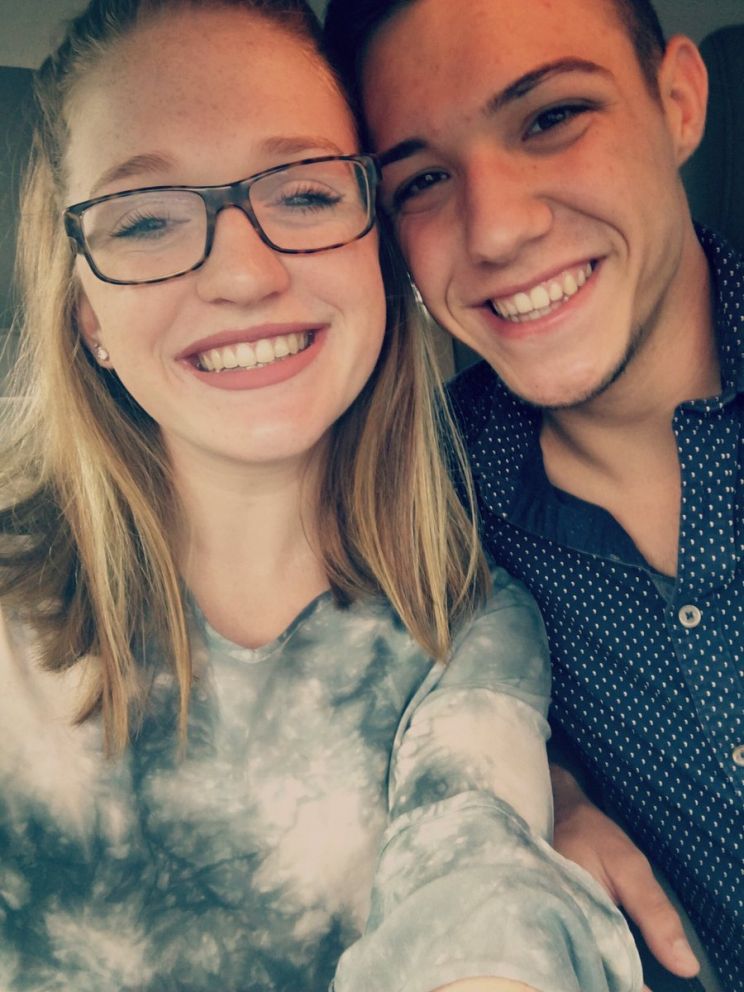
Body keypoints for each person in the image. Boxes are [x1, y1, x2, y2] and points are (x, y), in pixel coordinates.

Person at [0, 1, 647, 990]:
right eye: (145, 219)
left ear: (377, 251)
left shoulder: (465, 626)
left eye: (304, 194)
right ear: (87, 310)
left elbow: (479, 884)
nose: (244, 276)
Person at [322, 0, 743, 990]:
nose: (498, 228)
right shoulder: (418, 494)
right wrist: (532, 783)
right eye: (423, 180)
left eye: (552, 118)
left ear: (680, 103)